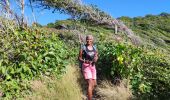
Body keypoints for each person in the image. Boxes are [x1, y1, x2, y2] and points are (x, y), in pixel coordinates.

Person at [78, 35, 98, 100]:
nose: (88, 41)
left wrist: (96, 58)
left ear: (92, 40)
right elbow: (79, 58)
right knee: (90, 82)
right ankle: (90, 98)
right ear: (86, 40)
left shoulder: (94, 47)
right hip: (86, 66)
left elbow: (96, 55)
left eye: (90, 39)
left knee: (94, 83)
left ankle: (89, 95)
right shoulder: (83, 48)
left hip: (93, 66)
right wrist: (85, 61)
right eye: (87, 39)